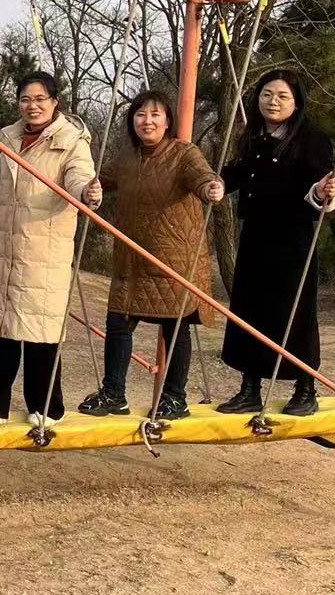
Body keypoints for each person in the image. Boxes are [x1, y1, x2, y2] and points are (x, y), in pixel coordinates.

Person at [0, 72, 98, 428]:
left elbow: (78, 178)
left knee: (41, 330)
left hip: (45, 251)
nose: (32, 106)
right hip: (7, 247)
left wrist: (86, 193)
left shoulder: (72, 142)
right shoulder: (11, 138)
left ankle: (47, 407)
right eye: (25, 99)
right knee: (2, 326)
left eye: (39, 99)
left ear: (55, 102)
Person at [76, 90, 224, 420]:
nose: (148, 121)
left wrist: (212, 187)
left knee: (175, 328)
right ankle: (114, 393)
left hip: (174, 257)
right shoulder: (128, 158)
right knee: (118, 322)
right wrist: (90, 188)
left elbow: (203, 179)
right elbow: (100, 181)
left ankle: (175, 398)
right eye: (141, 114)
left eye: (156, 115)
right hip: (131, 257)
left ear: (168, 120)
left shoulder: (183, 153)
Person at [215, 69, 335, 417]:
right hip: (255, 235)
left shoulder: (312, 139)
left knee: (295, 312)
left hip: (293, 239)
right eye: (267, 94)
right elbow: (235, 173)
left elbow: (322, 184)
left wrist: (322, 191)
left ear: (296, 102)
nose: (273, 102)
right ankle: (250, 388)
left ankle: (305, 388)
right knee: (250, 310)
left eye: (283, 96)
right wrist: (217, 184)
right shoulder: (252, 136)